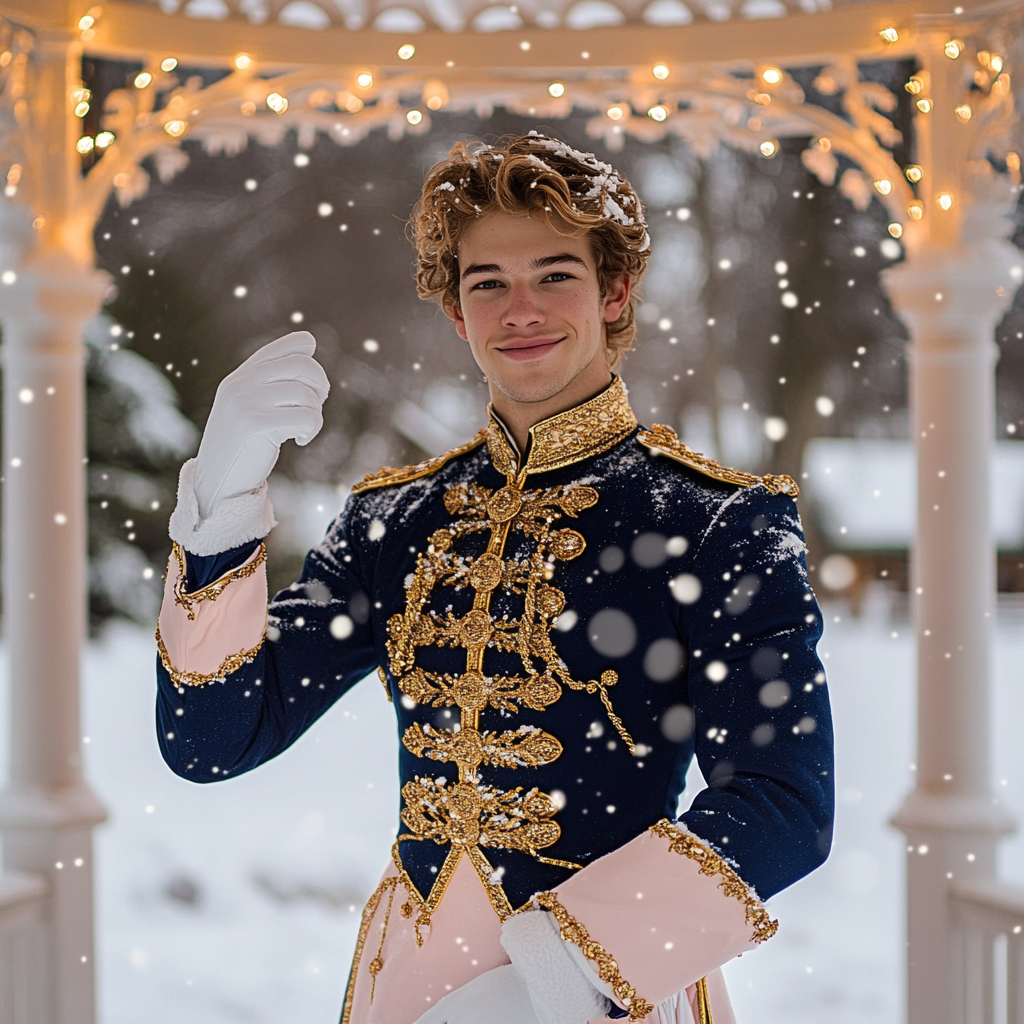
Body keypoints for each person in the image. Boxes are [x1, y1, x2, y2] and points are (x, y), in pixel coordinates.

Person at [155, 133, 833, 1024]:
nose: (521, 310)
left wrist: (562, 972)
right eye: (488, 284)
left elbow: (784, 803)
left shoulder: (714, 521)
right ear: (455, 312)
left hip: (609, 995)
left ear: (615, 291)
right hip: (412, 983)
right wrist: (223, 499)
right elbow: (212, 737)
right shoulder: (393, 520)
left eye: (555, 275)